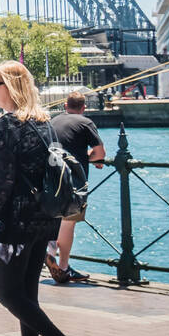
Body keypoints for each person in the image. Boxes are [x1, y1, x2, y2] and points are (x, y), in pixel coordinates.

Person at [0, 60, 91, 336]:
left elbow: (2, 184)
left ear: (11, 86)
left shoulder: (8, 125)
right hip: (46, 219)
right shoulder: (44, 122)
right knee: (27, 294)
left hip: (17, 220)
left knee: (7, 293)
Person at [47, 91, 106, 284]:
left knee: (56, 218)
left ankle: (49, 250)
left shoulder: (54, 121)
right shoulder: (85, 122)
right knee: (68, 222)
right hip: (74, 182)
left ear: (65, 106)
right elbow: (99, 152)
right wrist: (85, 160)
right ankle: (63, 266)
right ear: (83, 108)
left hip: (51, 178)